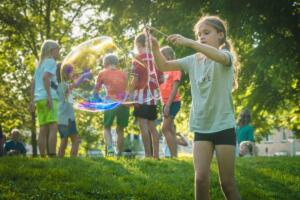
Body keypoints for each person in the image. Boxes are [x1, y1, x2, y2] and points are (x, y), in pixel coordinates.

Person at [150, 16, 241, 199]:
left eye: (206, 33)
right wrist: (155, 48)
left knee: (227, 184)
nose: (202, 37)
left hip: (223, 126)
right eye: (199, 34)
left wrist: (189, 42)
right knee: (200, 179)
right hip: (202, 126)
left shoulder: (226, 57)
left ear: (220, 35)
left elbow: (217, 56)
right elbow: (163, 65)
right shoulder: (193, 60)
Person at [131, 32, 164, 159]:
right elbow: (161, 79)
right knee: (152, 126)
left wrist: (130, 94)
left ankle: (148, 155)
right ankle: (156, 155)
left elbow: (135, 80)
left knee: (143, 126)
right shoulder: (156, 58)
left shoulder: (137, 59)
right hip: (153, 98)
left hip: (141, 97)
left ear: (138, 45)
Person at [29, 40, 60, 157]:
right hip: (48, 98)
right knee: (53, 126)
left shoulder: (40, 64)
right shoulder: (51, 61)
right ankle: (52, 155)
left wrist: (32, 101)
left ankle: (42, 156)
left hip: (39, 99)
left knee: (43, 128)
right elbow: (45, 77)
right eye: (58, 49)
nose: (59, 52)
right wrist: (49, 97)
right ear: (52, 50)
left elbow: (33, 83)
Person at [94, 54, 129, 156]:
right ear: (117, 64)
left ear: (105, 64)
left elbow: (96, 90)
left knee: (107, 127)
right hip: (123, 103)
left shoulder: (102, 73)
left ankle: (110, 149)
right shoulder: (123, 74)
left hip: (110, 103)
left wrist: (97, 100)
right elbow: (128, 89)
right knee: (120, 129)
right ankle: (120, 153)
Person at [56, 63, 89, 157]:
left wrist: (82, 79)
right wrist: (83, 76)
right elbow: (74, 85)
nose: (73, 73)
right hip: (67, 118)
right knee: (75, 140)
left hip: (63, 117)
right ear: (65, 74)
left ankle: (61, 160)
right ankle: (72, 159)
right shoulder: (63, 85)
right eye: (71, 72)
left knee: (65, 140)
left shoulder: (61, 85)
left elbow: (73, 86)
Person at [159, 46, 182, 158]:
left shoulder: (175, 68)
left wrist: (168, 105)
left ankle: (173, 156)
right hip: (165, 103)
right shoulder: (163, 69)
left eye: (161, 56)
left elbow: (174, 88)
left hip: (173, 102)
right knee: (171, 128)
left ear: (167, 56)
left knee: (164, 129)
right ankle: (174, 156)